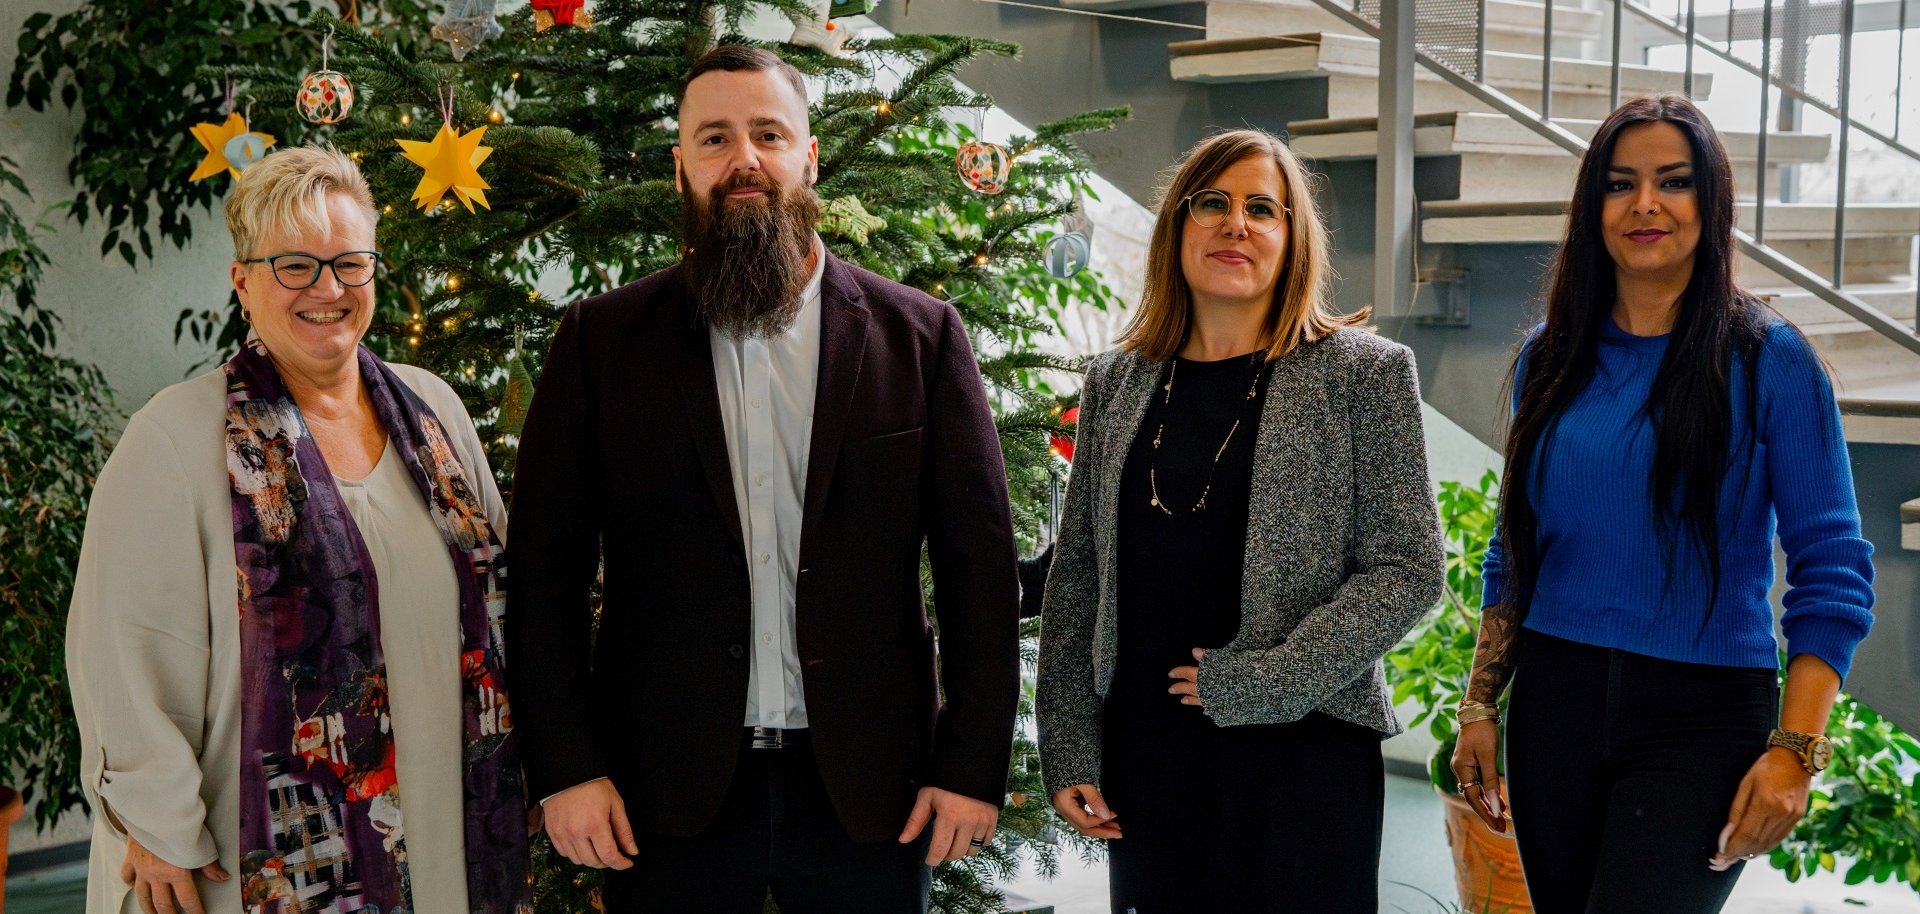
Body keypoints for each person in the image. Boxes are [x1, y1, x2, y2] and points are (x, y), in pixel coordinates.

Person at [508, 45, 1021, 914]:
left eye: (768, 134)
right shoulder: (601, 342)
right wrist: (566, 768)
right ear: (682, 166)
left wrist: (970, 766)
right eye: (714, 138)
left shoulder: (921, 338)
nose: (743, 159)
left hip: (871, 791)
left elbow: (979, 569)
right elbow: (544, 574)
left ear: (808, 157)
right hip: (661, 796)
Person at [66, 146, 530, 914]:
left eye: (350, 263)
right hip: (257, 850)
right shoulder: (177, 439)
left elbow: (504, 602)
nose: (328, 289)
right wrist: (153, 818)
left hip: (452, 817)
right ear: (242, 281)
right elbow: (123, 651)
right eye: (295, 266)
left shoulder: (433, 410)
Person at [1452, 94, 1876, 913]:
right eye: (1620, 185)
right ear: (1593, 209)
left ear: (1709, 203)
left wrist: (1795, 750)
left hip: (1702, 717)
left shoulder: (1770, 360)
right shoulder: (1553, 356)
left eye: (1673, 182)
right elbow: (1516, 545)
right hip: (1556, 703)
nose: (1646, 205)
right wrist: (1480, 703)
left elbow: (1833, 570)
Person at [1034, 128, 1445, 913]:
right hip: (1149, 754)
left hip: (1303, 748)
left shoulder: (1363, 374)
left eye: (1265, 209)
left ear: (1293, 241)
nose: (1237, 224)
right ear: (1176, 228)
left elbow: (1408, 569)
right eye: (1212, 203)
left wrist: (1265, 684)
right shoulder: (1118, 379)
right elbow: (1079, 568)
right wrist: (1069, 739)